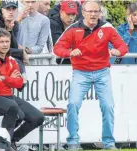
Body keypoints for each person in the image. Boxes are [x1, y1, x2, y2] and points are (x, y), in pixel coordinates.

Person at [53, 1, 128, 150]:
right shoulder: (73, 29)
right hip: (81, 72)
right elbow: (57, 48)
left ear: (99, 13)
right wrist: (69, 53)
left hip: (102, 72)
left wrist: (118, 52)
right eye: (90, 11)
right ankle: (73, 141)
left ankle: (109, 143)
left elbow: (123, 46)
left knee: (108, 106)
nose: (93, 14)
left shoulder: (107, 28)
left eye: (96, 11)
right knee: (73, 104)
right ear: (83, 12)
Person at [0, 28, 45, 151]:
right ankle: (3, 144)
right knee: (18, 114)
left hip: (9, 96)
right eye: (1, 42)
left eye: (7, 42)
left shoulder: (12, 60)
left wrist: (3, 77)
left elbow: (19, 84)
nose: (4, 45)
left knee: (38, 117)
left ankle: (10, 140)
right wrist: (9, 79)